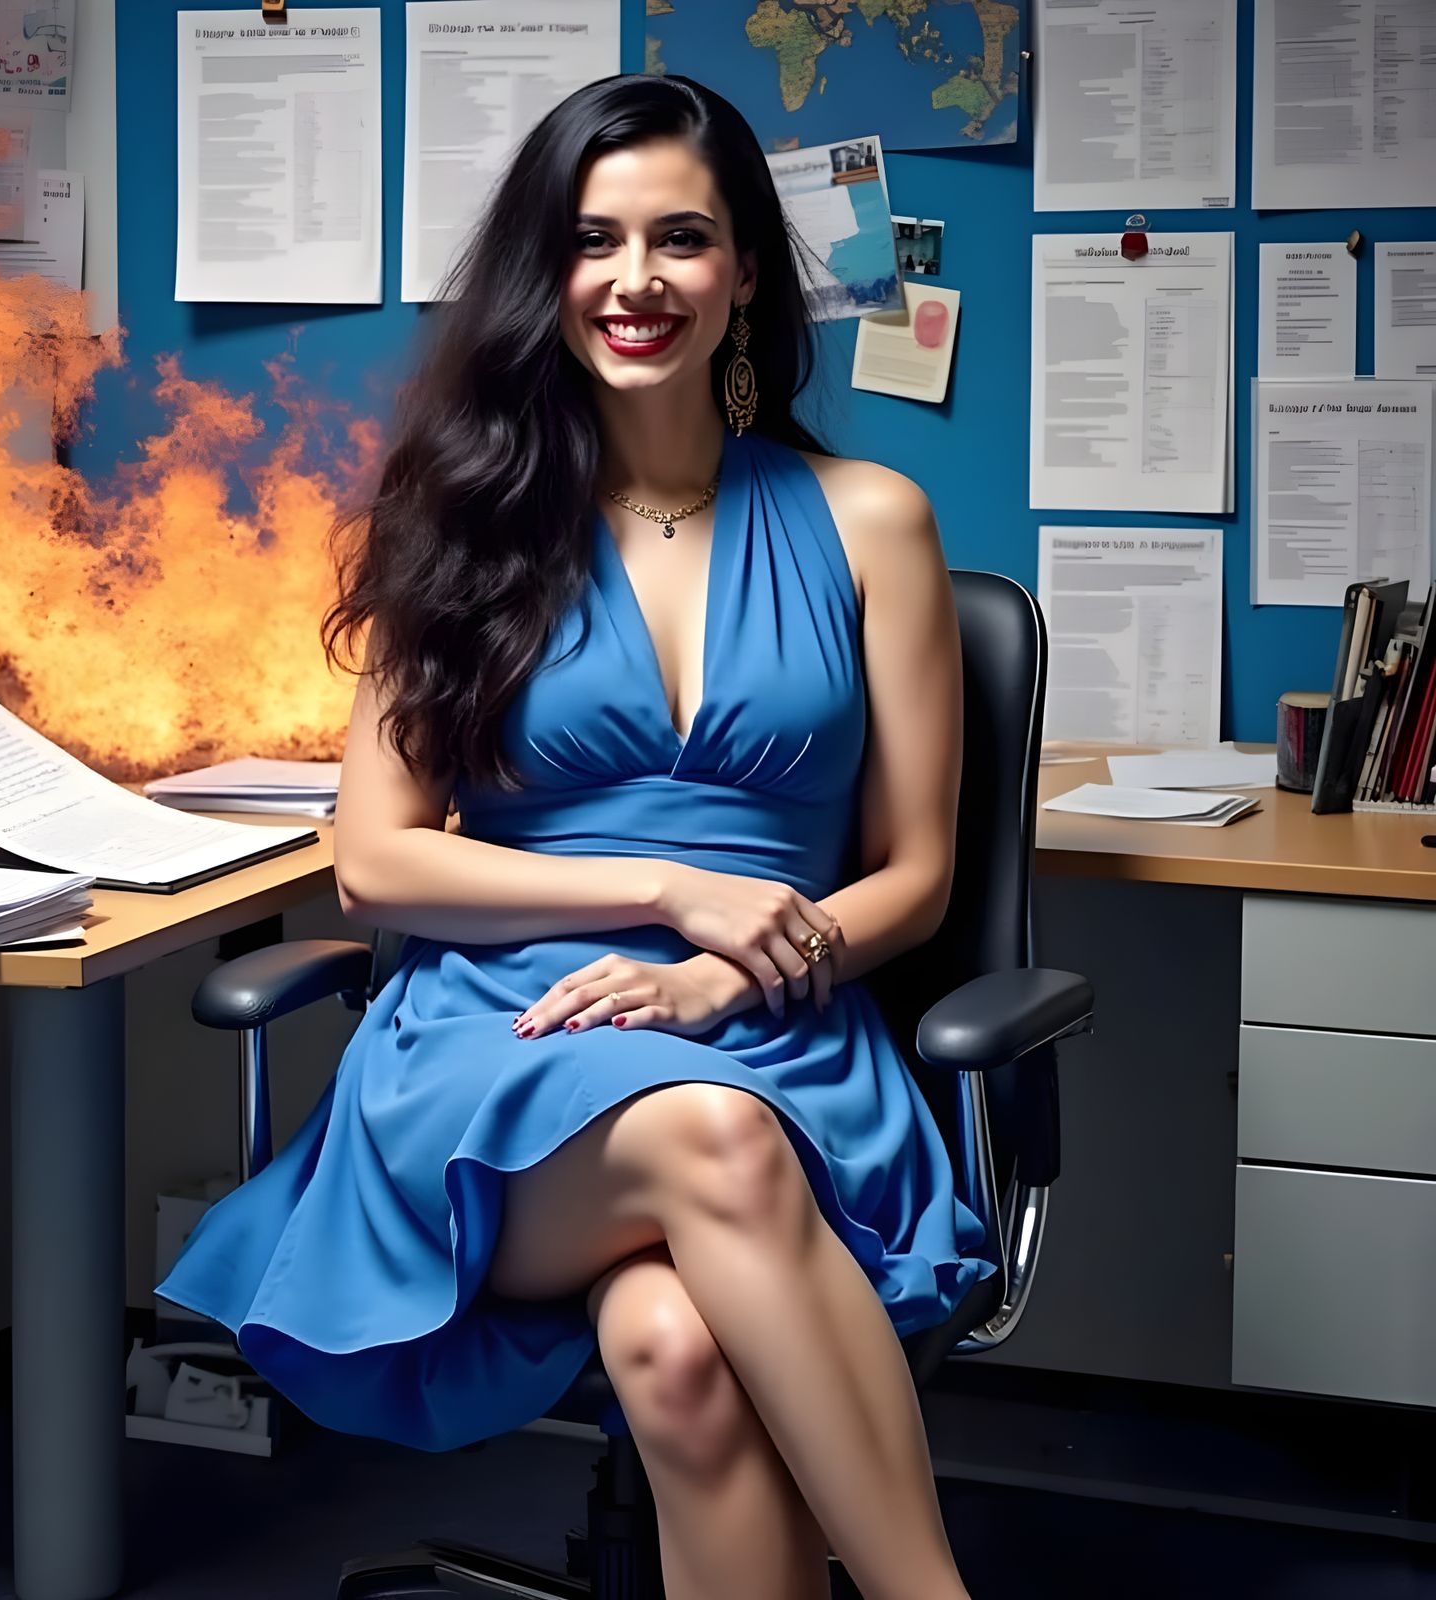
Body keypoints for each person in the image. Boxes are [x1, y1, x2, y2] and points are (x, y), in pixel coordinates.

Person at [156, 73, 995, 1600]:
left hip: (778, 1025)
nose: (635, 280)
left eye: (681, 238)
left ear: (744, 269)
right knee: (714, 1141)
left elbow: (918, 876)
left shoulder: (872, 519)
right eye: (594, 240)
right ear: (547, 272)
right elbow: (379, 862)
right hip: (508, 1043)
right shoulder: (459, 523)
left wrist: (724, 980)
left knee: (674, 1351)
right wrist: (674, 892)